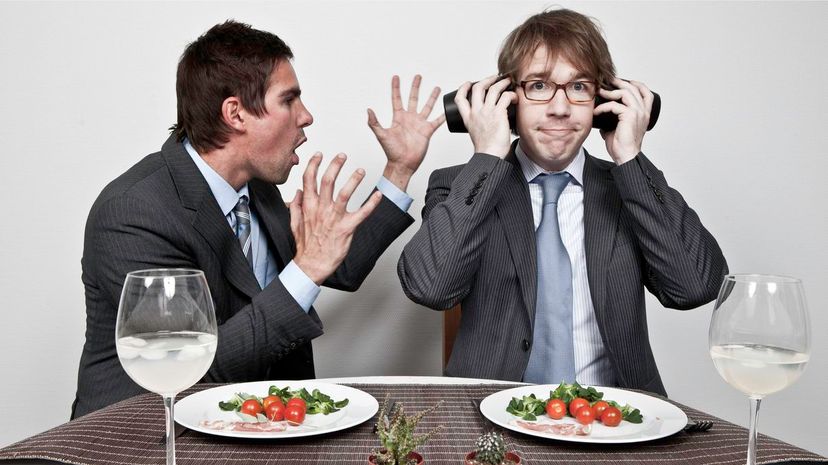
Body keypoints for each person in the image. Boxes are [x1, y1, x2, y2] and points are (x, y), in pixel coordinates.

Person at [73, 20, 444, 417]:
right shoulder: (134, 212)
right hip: (140, 435)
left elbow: (337, 266)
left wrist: (399, 170)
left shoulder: (256, 188)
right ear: (236, 113)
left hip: (247, 426)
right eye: (289, 100)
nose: (306, 116)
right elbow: (193, 371)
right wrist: (307, 267)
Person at [397, 8, 727, 396]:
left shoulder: (628, 187)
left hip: (614, 421)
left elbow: (694, 287)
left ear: (602, 101)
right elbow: (430, 288)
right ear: (508, 100)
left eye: (579, 86)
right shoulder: (459, 185)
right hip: (492, 423)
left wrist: (631, 159)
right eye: (538, 86)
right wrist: (487, 156)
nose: (559, 108)